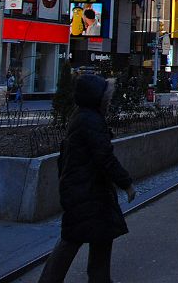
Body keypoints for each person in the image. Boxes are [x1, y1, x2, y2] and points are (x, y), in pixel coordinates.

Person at [37, 74, 136, 283]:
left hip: (85, 187)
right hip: (88, 190)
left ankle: (98, 279)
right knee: (74, 238)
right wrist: (126, 183)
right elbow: (105, 157)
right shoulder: (90, 120)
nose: (108, 101)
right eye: (106, 97)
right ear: (96, 98)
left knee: (96, 236)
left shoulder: (82, 116)